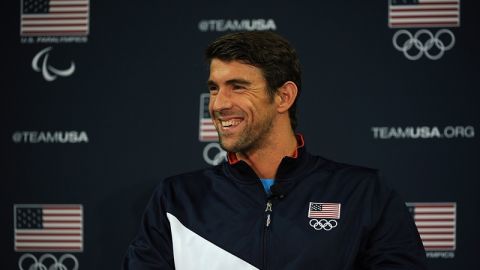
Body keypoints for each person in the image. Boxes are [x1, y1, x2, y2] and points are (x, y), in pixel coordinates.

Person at [123, 31, 427, 270]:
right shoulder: (177, 200)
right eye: (214, 88)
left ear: (283, 97)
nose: (217, 104)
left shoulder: (363, 193)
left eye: (238, 87)